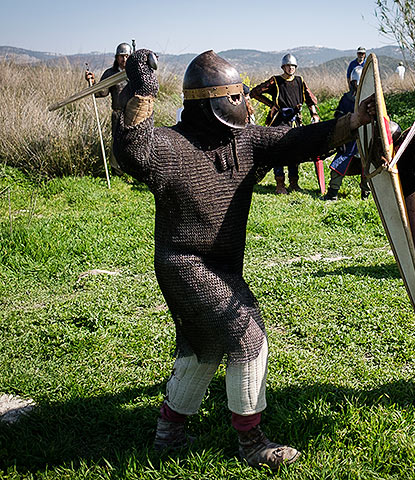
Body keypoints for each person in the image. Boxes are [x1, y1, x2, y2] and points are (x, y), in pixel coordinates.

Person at [112, 48, 375, 469]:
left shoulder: (246, 141)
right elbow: (134, 153)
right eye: (237, 97)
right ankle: (251, 442)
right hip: (184, 264)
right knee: (247, 335)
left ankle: (168, 433)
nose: (247, 104)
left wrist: (353, 121)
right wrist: (140, 96)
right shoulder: (172, 146)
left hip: (220, 264)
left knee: (204, 347)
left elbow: (296, 141)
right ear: (214, 103)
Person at [250, 54, 320, 194]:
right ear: (283, 67)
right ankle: (280, 184)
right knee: (279, 153)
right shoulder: (275, 81)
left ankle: (294, 183)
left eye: (293, 66)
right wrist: (272, 105)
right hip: (279, 121)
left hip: (294, 122)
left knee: (294, 153)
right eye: (288, 66)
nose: (290, 68)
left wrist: (314, 114)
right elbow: (255, 92)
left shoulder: (300, 81)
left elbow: (310, 99)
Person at [323, 66, 370, 201]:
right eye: (356, 82)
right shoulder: (346, 98)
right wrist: (340, 138)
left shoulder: (372, 99)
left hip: (365, 139)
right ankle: (332, 194)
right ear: (353, 82)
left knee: (367, 167)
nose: (358, 84)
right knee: (338, 166)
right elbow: (339, 118)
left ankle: (365, 194)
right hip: (349, 140)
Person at [85, 42, 132, 175]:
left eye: (127, 56)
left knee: (134, 142)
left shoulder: (136, 73)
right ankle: (118, 171)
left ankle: (134, 171)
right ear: (116, 57)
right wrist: (92, 83)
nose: (124, 59)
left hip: (134, 114)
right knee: (118, 143)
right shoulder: (110, 74)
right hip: (118, 114)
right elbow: (101, 93)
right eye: (121, 56)